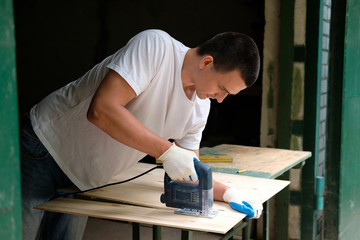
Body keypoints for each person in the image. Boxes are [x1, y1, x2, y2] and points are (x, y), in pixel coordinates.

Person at [20, 29, 262, 240]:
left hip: (84, 178)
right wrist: (167, 152)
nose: (221, 99)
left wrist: (229, 193)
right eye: (222, 88)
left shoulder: (200, 108)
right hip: (45, 147)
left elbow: (190, 172)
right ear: (206, 62)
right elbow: (102, 110)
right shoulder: (156, 47)